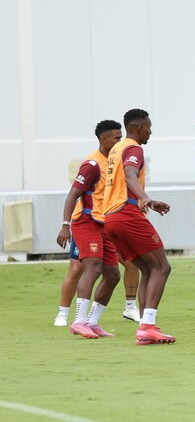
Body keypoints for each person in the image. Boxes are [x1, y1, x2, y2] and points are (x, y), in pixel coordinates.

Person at [103, 108, 176, 345]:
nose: (151, 132)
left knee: (148, 269)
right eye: (150, 128)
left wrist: (148, 201)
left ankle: (146, 327)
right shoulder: (134, 148)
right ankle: (148, 325)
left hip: (111, 217)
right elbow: (131, 175)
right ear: (140, 127)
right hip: (127, 213)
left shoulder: (116, 149)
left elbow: (123, 180)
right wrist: (144, 197)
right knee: (162, 267)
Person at [55, 120, 125, 339]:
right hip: (86, 223)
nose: (119, 141)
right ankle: (78, 321)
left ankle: (93, 323)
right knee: (91, 268)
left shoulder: (114, 163)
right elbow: (73, 194)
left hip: (106, 225)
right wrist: (65, 225)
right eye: (116, 138)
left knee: (113, 276)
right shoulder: (92, 164)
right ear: (104, 140)